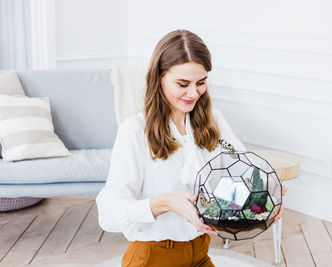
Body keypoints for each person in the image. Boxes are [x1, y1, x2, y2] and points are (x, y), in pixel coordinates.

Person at [96, 29, 285, 267]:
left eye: (201, 83)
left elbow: (243, 171)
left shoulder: (213, 121)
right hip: (152, 258)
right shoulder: (134, 131)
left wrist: (265, 193)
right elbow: (108, 214)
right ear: (159, 78)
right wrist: (163, 203)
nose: (193, 93)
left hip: (200, 254)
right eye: (183, 84)